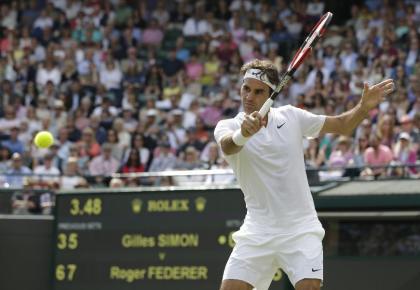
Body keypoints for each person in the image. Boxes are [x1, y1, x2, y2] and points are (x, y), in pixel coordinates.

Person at [214, 59, 394, 290]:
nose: (249, 96)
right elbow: (229, 146)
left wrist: (363, 107)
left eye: (258, 91)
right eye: (245, 88)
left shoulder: (292, 117)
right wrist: (243, 134)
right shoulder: (227, 126)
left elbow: (342, 126)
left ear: (271, 94)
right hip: (257, 231)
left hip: (300, 229)